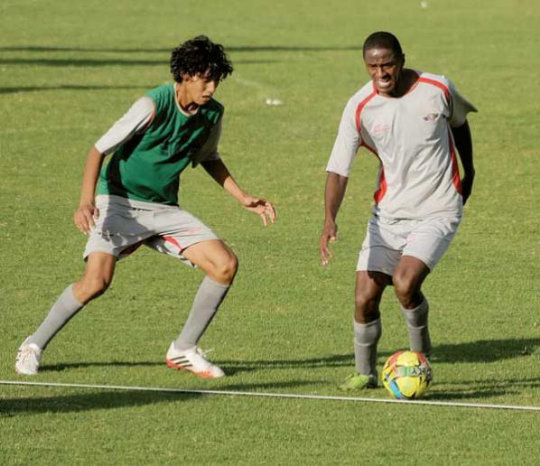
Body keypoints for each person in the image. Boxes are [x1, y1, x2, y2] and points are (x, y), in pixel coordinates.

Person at [15, 35, 276, 379]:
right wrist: (85, 201)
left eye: (216, 80)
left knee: (225, 265)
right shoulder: (152, 105)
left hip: (164, 209)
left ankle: (183, 349)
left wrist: (241, 196)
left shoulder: (212, 114)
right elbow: (98, 150)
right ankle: (33, 345)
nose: (211, 87)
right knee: (96, 281)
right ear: (184, 74)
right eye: (205, 78)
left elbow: (208, 157)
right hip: (119, 202)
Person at [320, 31, 476, 390]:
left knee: (405, 284)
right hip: (388, 215)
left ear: (402, 60)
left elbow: (460, 124)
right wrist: (330, 218)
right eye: (372, 66)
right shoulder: (359, 107)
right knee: (364, 298)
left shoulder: (437, 88)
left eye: (387, 64)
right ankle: (365, 372)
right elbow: (338, 170)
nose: (380, 73)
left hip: (438, 208)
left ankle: (421, 362)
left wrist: (470, 172)